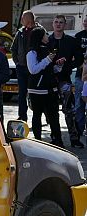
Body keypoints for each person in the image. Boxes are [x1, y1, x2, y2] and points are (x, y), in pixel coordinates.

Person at [49, 14, 84, 148]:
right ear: (53, 24)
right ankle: (56, 138)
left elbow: (79, 59)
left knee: (69, 109)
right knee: (51, 111)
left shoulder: (71, 41)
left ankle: (74, 138)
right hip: (49, 81)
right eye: (56, 22)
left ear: (65, 25)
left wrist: (66, 65)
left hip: (64, 80)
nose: (58, 24)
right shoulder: (48, 40)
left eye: (61, 22)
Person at [27, 26, 63, 146]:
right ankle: (37, 140)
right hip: (36, 90)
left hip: (50, 89)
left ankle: (57, 140)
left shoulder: (48, 49)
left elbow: (50, 69)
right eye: (45, 34)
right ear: (40, 37)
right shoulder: (31, 53)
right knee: (37, 115)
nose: (48, 36)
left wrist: (58, 65)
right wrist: (47, 59)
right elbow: (33, 70)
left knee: (54, 115)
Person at [11, 11, 37, 122]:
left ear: (29, 19)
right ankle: (22, 116)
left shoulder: (39, 31)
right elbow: (13, 48)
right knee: (22, 93)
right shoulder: (20, 32)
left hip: (35, 69)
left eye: (23, 18)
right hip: (21, 67)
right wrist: (17, 62)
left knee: (35, 93)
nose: (21, 19)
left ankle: (39, 115)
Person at [75, 16, 87, 140]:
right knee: (79, 104)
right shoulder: (78, 36)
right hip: (80, 76)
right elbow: (74, 54)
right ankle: (79, 129)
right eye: (85, 21)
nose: (86, 23)